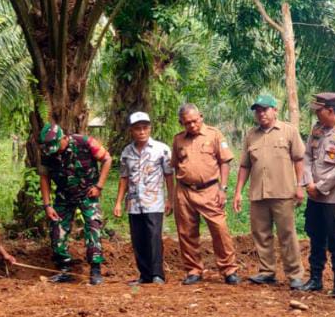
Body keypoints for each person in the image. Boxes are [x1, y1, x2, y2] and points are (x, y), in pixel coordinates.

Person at [232, 94, 306, 290]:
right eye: (258, 110)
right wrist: (238, 192)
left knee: (287, 235)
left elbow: (299, 159)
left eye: (265, 109)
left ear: (275, 110)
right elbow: (244, 166)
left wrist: (300, 186)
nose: (261, 113)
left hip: (283, 193)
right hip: (258, 193)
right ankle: (267, 271)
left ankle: (295, 275)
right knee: (261, 234)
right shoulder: (251, 135)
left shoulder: (289, 131)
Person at [171, 103, 239, 285]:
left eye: (194, 121)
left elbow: (225, 161)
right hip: (184, 190)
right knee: (186, 232)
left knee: (219, 229)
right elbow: (176, 164)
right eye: (187, 123)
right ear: (181, 123)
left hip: (210, 190)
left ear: (201, 116)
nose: (192, 126)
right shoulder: (178, 140)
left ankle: (228, 269)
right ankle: (193, 270)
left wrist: (222, 188)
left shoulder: (214, 134)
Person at [299, 92, 335, 296]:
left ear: (330, 111)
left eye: (319, 111)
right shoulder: (317, 129)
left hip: (333, 198)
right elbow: (306, 156)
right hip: (313, 195)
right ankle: (315, 278)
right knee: (315, 238)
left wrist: (320, 186)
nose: (316, 115)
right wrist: (308, 182)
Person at [38, 122, 112, 285]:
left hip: (88, 193)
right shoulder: (47, 152)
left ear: (64, 138)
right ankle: (64, 268)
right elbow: (44, 178)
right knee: (57, 227)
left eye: (56, 145)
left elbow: (107, 159)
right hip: (64, 195)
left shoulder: (85, 142)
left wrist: (99, 186)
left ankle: (95, 270)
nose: (54, 150)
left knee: (93, 226)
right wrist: (47, 205)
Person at [113, 112, 173, 284]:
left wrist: (171, 199)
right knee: (138, 238)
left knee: (153, 237)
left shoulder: (161, 149)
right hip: (134, 202)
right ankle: (144, 275)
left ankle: (157, 275)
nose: (141, 132)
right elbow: (124, 177)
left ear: (150, 128)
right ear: (131, 130)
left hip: (154, 201)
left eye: (145, 127)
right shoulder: (126, 152)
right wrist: (118, 202)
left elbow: (169, 175)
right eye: (137, 128)